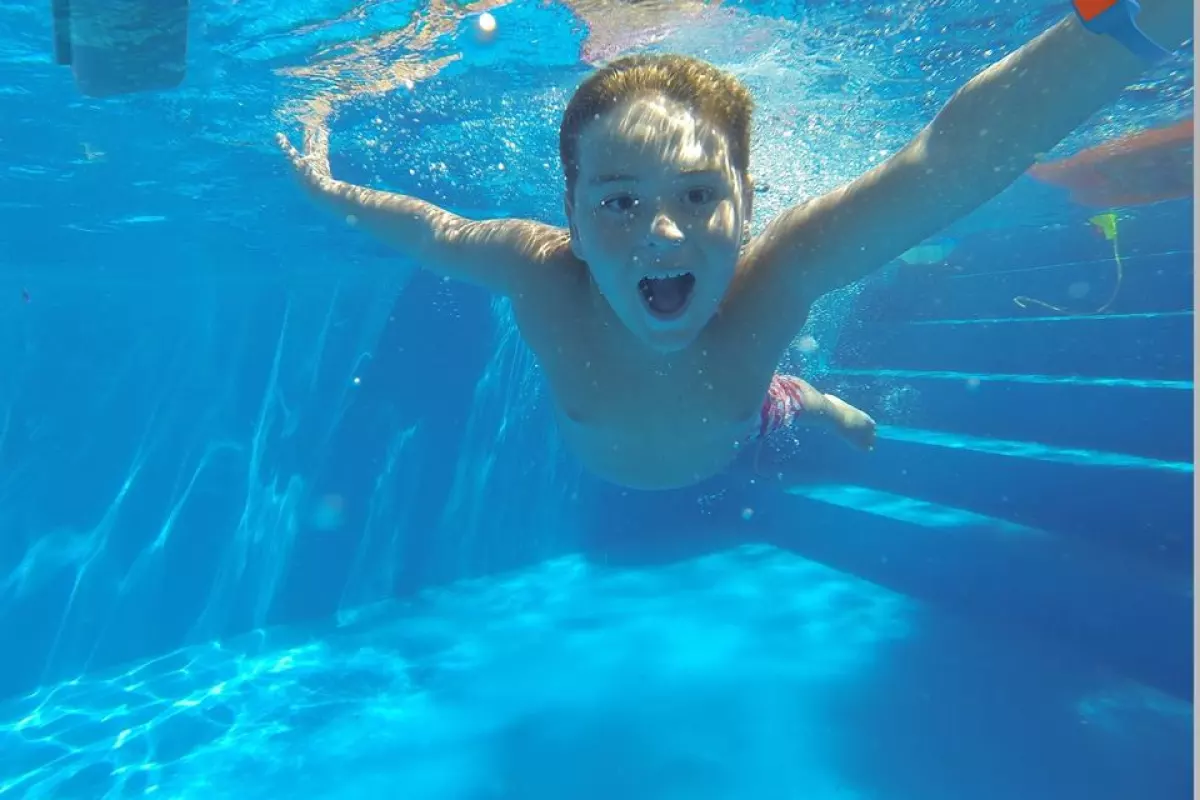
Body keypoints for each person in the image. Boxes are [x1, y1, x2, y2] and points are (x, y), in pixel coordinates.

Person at [277, 0, 1188, 491]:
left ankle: (811, 400)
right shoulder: (538, 269)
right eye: (620, 200)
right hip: (680, 434)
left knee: (780, 401)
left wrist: (1133, 18)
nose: (662, 231)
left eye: (698, 194)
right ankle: (801, 395)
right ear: (573, 216)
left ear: (747, 206)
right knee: (768, 391)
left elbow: (942, 166)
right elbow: (426, 227)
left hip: (740, 428)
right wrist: (325, 188)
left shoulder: (773, 281)